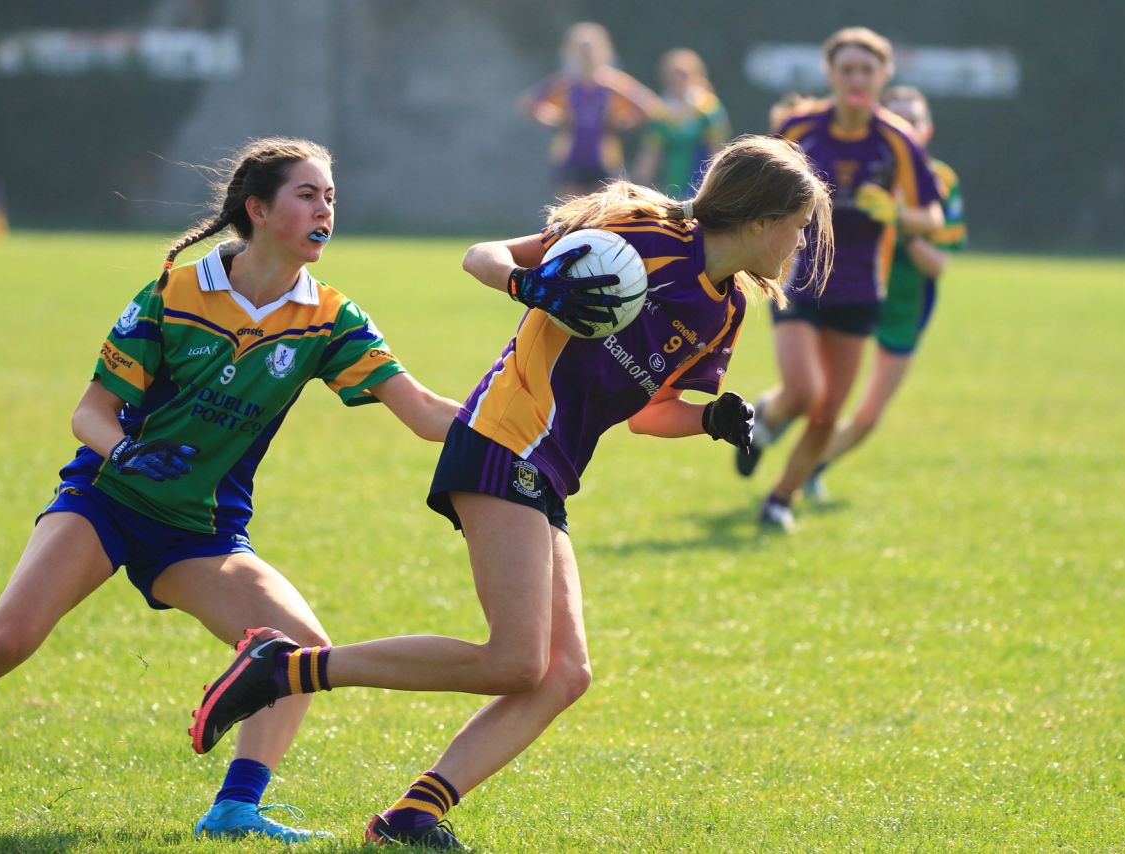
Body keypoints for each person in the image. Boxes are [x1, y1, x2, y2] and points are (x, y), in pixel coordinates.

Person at [188, 135, 835, 850]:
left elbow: (650, 415)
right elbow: (482, 256)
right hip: (503, 437)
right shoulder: (640, 232)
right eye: (800, 225)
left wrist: (709, 417)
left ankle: (411, 817)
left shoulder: (725, 313)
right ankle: (286, 668)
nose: (801, 242)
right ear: (758, 220)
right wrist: (530, 286)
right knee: (516, 661)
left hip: (548, 470)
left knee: (562, 674)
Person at [0, 137, 459, 844]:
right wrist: (126, 452)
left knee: (297, 649)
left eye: (331, 196)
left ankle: (235, 808)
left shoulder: (329, 318)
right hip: (109, 500)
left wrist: (521, 423)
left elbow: (423, 412)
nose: (325, 209)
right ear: (259, 210)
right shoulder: (176, 292)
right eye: (308, 195)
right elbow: (90, 411)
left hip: (201, 532)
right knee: (5, 641)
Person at [735, 27, 945, 531]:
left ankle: (780, 499)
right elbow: (756, 183)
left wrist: (895, 211)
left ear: (882, 77)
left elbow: (932, 218)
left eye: (866, 70)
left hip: (859, 290)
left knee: (828, 411)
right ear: (830, 74)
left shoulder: (897, 139)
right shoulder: (801, 128)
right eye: (846, 69)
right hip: (801, 277)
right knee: (805, 389)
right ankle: (768, 416)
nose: (856, 79)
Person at [803, 85, 967, 499]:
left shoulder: (940, 182)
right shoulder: (855, 165)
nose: (905, 127)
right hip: (847, 293)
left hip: (903, 306)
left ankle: (810, 468)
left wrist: (900, 221)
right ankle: (768, 424)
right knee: (814, 393)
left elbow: (939, 264)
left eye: (913, 120)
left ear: (925, 131)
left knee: (869, 416)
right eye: (897, 118)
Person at [523, 21, 662, 197]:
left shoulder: (612, 83)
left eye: (590, 49)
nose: (586, 55)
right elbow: (529, 104)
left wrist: (621, 122)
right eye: (581, 49)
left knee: (602, 212)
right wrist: (556, 119)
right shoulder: (565, 84)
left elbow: (651, 107)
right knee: (570, 214)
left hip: (604, 158)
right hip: (569, 157)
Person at [633, 48, 732, 199]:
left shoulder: (707, 109)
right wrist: (636, 186)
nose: (678, 80)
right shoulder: (662, 114)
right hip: (673, 188)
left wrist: (719, 186)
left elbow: (717, 151)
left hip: (702, 189)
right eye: (673, 75)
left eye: (683, 74)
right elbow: (650, 155)